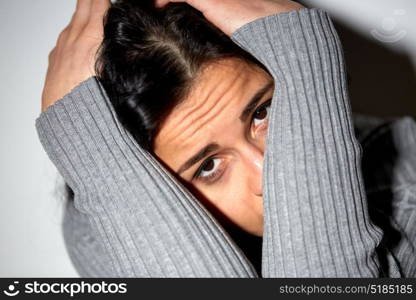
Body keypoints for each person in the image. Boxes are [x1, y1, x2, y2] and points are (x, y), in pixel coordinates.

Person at [37, 0, 416, 277]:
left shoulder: (405, 180)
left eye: (262, 113)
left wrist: (305, 66)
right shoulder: (110, 230)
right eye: (208, 166)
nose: (268, 171)